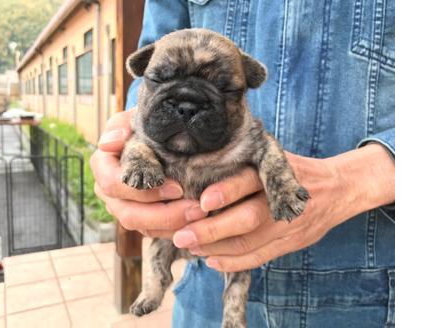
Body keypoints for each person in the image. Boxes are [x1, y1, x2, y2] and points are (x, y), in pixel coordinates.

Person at [91, 0, 395, 327]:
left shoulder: (249, 139)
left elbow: (264, 151)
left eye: (223, 88)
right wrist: (125, 143)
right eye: (163, 80)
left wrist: (365, 176)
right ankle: (155, 285)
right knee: (163, 249)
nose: (186, 106)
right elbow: (147, 69)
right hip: (203, 287)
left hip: (372, 291)